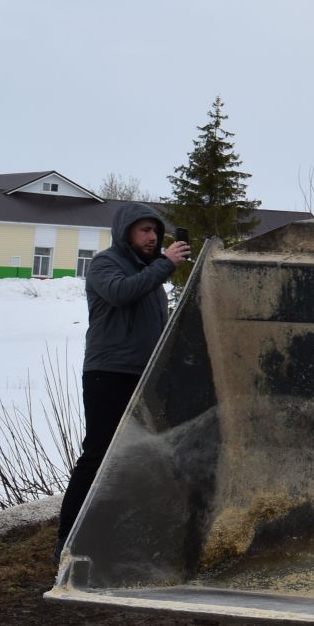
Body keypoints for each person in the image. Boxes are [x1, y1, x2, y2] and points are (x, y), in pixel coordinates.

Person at [57, 202, 191, 543]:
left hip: (145, 376)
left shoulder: (150, 275)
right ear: (125, 232)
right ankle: (69, 538)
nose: (152, 238)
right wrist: (165, 264)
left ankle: (120, 532)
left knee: (143, 455)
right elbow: (119, 294)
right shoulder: (106, 264)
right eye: (144, 230)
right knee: (99, 453)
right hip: (109, 374)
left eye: (156, 232)